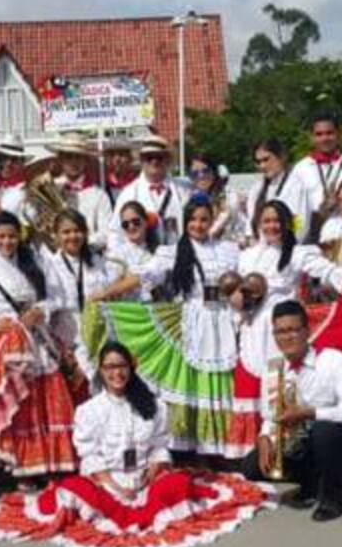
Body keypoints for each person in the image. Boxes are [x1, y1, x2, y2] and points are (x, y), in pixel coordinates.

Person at [0, 342, 274, 547]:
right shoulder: (89, 410)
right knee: (71, 489)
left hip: (147, 479)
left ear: (131, 368)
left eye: (121, 366)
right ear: (101, 371)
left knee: (179, 483)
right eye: (109, 367)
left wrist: (152, 472)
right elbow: (89, 456)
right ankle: (119, 507)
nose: (116, 373)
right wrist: (114, 486)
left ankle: (148, 504)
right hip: (107, 482)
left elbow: (160, 447)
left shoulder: (154, 405)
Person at [94, 196, 240, 459]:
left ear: (212, 220)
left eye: (204, 219)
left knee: (223, 383)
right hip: (194, 322)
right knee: (194, 382)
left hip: (224, 321)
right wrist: (105, 293)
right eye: (193, 219)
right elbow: (141, 276)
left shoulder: (227, 249)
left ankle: (222, 449)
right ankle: (194, 451)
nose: (198, 224)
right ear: (185, 222)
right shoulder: (172, 252)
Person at [225, 200, 342, 460]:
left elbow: (328, 272)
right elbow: (236, 294)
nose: (272, 226)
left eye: (277, 221)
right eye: (267, 221)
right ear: (258, 224)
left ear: (287, 224)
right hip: (252, 330)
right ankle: (251, 456)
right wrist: (237, 304)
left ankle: (284, 455)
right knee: (250, 386)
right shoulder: (246, 256)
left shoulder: (298, 253)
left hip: (283, 331)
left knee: (281, 389)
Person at [0, 211, 77, 486]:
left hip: (38, 337)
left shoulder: (36, 262)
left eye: (12, 236)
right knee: (18, 401)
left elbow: (59, 296)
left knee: (45, 398)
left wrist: (41, 310)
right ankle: (22, 467)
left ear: (20, 237)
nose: (7, 242)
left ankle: (50, 461)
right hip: (9, 342)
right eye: (1, 237)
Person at [240, 301, 342, 521]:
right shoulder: (273, 367)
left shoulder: (333, 359)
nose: (287, 337)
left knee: (323, 433)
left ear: (307, 331)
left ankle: (335, 496)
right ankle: (310, 482)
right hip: (300, 437)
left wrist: (309, 413)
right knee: (252, 467)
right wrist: (264, 436)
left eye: (293, 330)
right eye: (280, 332)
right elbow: (271, 415)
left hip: (339, 435)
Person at [44, 209, 114, 391]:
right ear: (56, 235)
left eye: (77, 231)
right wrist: (62, 350)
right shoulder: (49, 265)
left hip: (99, 340)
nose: (72, 236)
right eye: (66, 232)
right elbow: (49, 310)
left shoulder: (99, 262)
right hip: (69, 347)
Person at [292, 112, 342, 237]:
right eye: (319, 134)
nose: (324, 138)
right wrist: (296, 236)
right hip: (312, 233)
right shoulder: (300, 169)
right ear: (311, 137)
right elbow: (294, 209)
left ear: (339, 134)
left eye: (329, 133)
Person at [109, 135, 188, 248]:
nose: (154, 161)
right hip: (141, 256)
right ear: (142, 160)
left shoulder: (184, 190)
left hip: (178, 254)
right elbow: (115, 233)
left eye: (159, 157)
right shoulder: (128, 194)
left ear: (167, 159)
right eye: (149, 157)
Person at [49, 134, 114, 251]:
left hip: (89, 254)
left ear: (86, 160)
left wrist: (77, 242)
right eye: (69, 157)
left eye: (78, 157)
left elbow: (106, 233)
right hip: (55, 257)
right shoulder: (50, 189)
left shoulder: (99, 195)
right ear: (61, 159)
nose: (74, 162)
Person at [245, 138, 312, 244]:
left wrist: (287, 246)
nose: (262, 166)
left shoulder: (296, 186)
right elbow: (250, 223)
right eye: (258, 162)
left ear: (281, 157)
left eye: (266, 159)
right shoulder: (256, 190)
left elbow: (299, 223)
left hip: (288, 247)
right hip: (260, 247)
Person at [104, 200, 159, 300]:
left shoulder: (159, 252)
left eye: (136, 222)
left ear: (145, 222)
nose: (131, 227)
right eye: (125, 224)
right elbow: (111, 288)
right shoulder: (116, 255)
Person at [189, 156, 246, 243]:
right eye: (195, 173)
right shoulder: (191, 198)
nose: (201, 176)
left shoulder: (229, 195)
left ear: (214, 172)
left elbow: (218, 226)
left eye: (205, 171)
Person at [0, 135, 31, 220]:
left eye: (14, 159)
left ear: (22, 163)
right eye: (4, 157)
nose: (8, 163)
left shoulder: (26, 190)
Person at [102, 138, 139, 206]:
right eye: (112, 155)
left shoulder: (138, 185)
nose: (117, 159)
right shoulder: (102, 184)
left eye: (121, 154)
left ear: (130, 158)